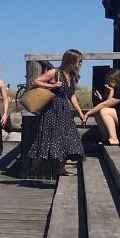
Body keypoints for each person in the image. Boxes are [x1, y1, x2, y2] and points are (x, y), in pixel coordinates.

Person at [27, 49, 86, 177]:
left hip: (65, 110)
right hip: (51, 109)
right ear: (72, 61)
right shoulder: (55, 72)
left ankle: (60, 170)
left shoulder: (73, 76)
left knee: (69, 138)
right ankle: (35, 165)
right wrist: (52, 86)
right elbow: (35, 81)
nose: (80, 63)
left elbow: (72, 95)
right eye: (79, 61)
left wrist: (80, 113)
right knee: (48, 137)